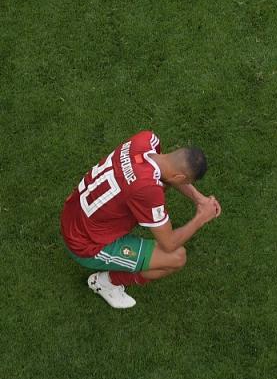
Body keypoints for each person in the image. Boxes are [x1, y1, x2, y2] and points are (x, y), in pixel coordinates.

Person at [60, 131, 221, 309]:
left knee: (156, 188)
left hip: (73, 215)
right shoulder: (147, 190)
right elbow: (169, 244)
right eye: (185, 181)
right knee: (176, 258)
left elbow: (168, 175)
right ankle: (106, 283)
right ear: (180, 178)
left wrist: (199, 199)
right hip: (85, 244)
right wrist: (201, 218)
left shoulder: (146, 139)